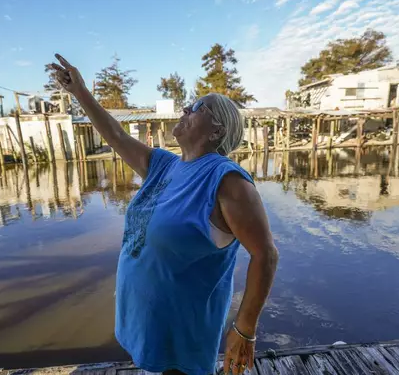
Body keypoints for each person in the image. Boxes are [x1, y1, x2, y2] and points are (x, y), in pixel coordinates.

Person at [51, 54, 279, 375]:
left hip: (183, 330)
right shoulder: (165, 165)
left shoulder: (227, 181)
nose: (186, 110)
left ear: (217, 130)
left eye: (198, 108)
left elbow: (265, 255)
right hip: (147, 321)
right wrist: (80, 92)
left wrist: (244, 329)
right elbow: (115, 136)